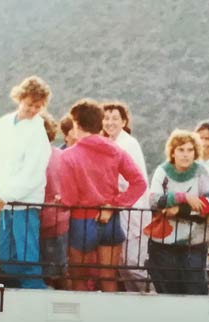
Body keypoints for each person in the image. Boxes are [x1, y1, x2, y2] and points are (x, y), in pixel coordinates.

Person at [58, 99, 148, 292]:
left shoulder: (68, 156)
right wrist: (114, 204)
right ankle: (109, 320)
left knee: (79, 278)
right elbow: (139, 183)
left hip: (82, 222)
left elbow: (69, 199)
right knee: (109, 277)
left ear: (76, 124)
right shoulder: (116, 150)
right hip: (111, 219)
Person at [0, 76, 52, 289]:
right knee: (6, 254)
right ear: (20, 99)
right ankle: (15, 293)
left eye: (38, 106)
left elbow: (33, 173)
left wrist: (6, 196)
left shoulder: (38, 130)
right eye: (30, 104)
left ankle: (33, 295)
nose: (32, 110)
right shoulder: (4, 123)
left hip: (24, 203)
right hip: (3, 203)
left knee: (26, 255)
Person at [145, 130, 209, 295]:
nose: (186, 154)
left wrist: (180, 209)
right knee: (168, 290)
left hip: (194, 243)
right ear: (172, 152)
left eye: (190, 150)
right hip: (164, 244)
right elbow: (154, 200)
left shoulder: (201, 172)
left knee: (195, 289)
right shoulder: (162, 171)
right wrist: (183, 197)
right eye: (181, 150)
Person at [102, 101, 151, 292]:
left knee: (134, 264)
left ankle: (154, 296)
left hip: (133, 210)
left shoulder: (128, 144)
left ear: (124, 121)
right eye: (106, 118)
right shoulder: (109, 143)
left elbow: (130, 181)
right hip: (119, 210)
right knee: (122, 265)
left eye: (115, 118)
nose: (110, 122)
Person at [40, 112, 69, 288]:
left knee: (46, 274)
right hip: (62, 220)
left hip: (42, 222)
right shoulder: (61, 155)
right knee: (60, 272)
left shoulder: (37, 158)